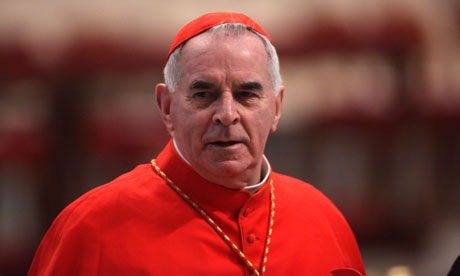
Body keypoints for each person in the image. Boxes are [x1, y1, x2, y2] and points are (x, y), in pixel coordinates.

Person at [28, 12, 366, 276]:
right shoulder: (91, 230)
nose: (227, 114)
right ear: (167, 107)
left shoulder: (323, 220)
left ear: (276, 107)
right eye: (204, 94)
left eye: (247, 95)